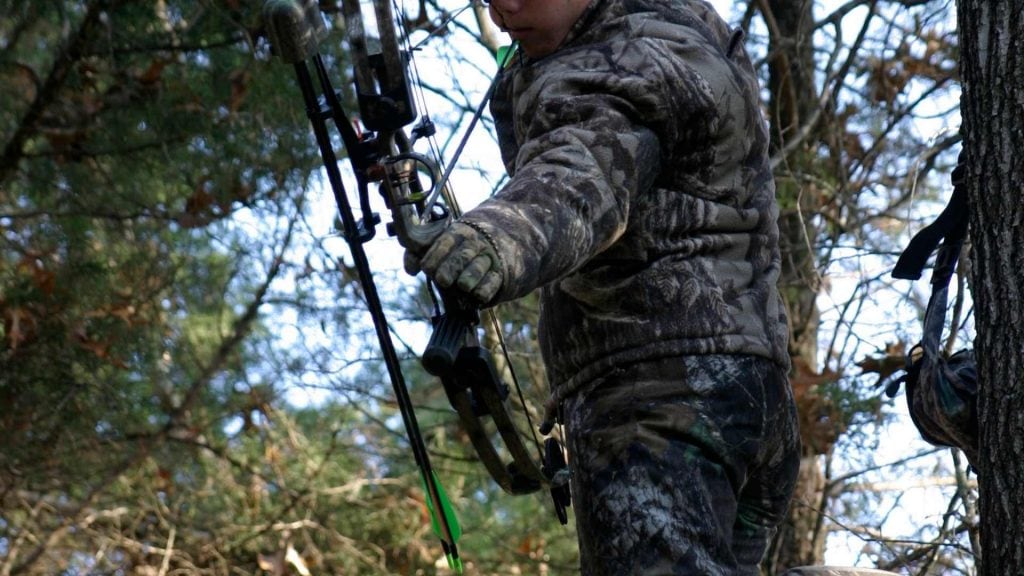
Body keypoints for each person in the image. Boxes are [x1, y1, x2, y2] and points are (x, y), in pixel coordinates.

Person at [407, 0, 801, 573]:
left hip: (664, 405)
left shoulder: (625, 54)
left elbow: (586, 174)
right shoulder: (671, 28)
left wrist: (499, 241)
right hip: (742, 397)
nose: (503, 6)